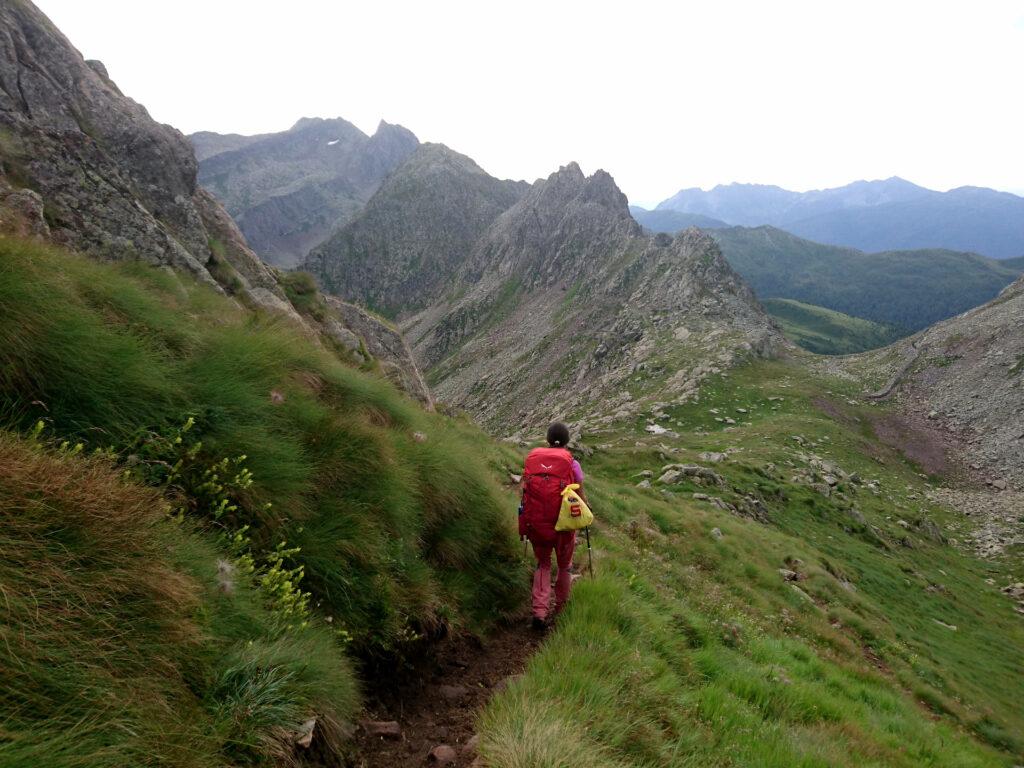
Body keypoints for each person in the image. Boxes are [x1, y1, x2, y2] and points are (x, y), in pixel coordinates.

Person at [519, 422, 585, 630]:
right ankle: (561, 609)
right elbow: (579, 494)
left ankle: (539, 612)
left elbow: (525, 490)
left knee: (543, 564)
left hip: (537, 524)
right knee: (564, 565)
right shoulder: (571, 463)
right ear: (566, 442)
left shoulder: (534, 460)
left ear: (548, 440)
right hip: (563, 526)